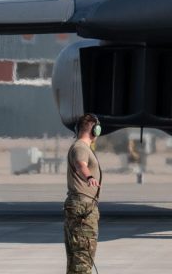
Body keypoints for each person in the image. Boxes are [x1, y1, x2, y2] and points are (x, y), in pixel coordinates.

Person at [64, 113, 103, 274]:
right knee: (82, 258)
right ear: (96, 130)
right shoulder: (80, 147)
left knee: (76, 260)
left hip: (80, 206)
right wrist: (89, 176)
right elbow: (81, 165)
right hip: (83, 208)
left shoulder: (80, 147)